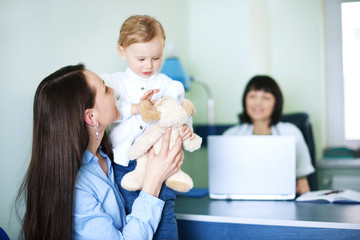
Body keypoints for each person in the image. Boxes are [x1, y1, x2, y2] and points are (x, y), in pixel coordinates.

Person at [17, 64, 183, 240]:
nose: (113, 90)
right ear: (91, 116)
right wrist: (153, 182)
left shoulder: (109, 155)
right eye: (105, 89)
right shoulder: (76, 190)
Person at [101, 15, 193, 239]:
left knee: (163, 213)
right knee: (132, 213)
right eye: (141, 58)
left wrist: (186, 129)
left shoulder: (169, 85)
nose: (149, 65)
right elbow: (107, 114)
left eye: (156, 57)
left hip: (159, 161)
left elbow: (179, 114)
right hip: (124, 163)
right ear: (122, 52)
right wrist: (135, 109)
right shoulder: (113, 83)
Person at [223, 75, 315, 194]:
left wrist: (301, 184)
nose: (258, 103)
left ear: (276, 102)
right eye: (252, 96)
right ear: (245, 100)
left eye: (266, 98)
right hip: (240, 200)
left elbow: (302, 178)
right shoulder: (230, 135)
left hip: (282, 201)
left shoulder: (291, 132)